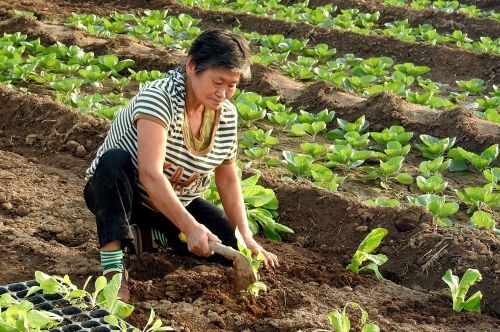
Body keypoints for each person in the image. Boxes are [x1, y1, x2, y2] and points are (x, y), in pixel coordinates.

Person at [83, 29, 279, 301]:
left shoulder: (227, 115)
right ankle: (114, 271)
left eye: (232, 85)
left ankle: (150, 238)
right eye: (217, 82)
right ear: (191, 66)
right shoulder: (159, 98)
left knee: (224, 242)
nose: (223, 93)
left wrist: (245, 236)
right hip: (124, 194)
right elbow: (150, 174)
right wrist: (189, 227)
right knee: (113, 161)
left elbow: (228, 179)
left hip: (175, 202)